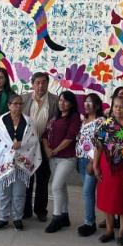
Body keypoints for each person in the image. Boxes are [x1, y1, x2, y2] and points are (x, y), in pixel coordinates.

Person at [0, 94, 42, 231]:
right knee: (3, 192)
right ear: (9, 105)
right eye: (15, 104)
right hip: (3, 161)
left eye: (20, 104)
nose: (18, 106)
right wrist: (9, 148)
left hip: (21, 162)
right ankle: (3, 218)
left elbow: (33, 140)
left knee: (19, 193)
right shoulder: (1, 121)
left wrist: (21, 144)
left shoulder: (28, 121)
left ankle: (17, 218)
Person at [93, 95, 123, 245]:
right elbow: (98, 146)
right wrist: (95, 165)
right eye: (115, 106)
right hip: (107, 168)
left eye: (121, 107)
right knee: (107, 198)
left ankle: (122, 231)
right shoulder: (106, 124)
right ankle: (109, 230)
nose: (118, 109)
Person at [21, 72, 58, 221]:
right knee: (26, 178)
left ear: (48, 84)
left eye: (43, 82)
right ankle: (26, 210)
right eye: (37, 82)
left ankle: (41, 210)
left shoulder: (55, 101)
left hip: (45, 145)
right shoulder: (23, 99)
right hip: (27, 146)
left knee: (42, 179)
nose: (40, 86)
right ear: (32, 84)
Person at [43, 91, 82, 233]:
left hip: (67, 158)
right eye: (60, 100)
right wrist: (47, 148)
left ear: (71, 103)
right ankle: (65, 216)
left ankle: (56, 217)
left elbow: (70, 137)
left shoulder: (74, 117)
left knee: (55, 186)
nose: (62, 103)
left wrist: (55, 150)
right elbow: (45, 134)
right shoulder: (55, 117)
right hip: (53, 158)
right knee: (61, 187)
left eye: (65, 101)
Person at [75, 93, 105, 236]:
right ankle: (90, 220)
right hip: (80, 160)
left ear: (97, 106)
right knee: (88, 193)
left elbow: (100, 143)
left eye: (90, 102)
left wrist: (93, 162)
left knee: (87, 192)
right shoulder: (84, 121)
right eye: (85, 102)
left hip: (91, 161)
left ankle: (89, 223)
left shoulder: (100, 121)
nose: (86, 105)